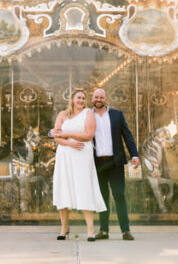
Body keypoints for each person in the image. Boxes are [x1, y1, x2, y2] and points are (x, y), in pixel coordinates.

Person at [50, 87, 107, 241]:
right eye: (79, 98)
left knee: (84, 188)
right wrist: (69, 144)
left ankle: (90, 231)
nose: (81, 101)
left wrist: (67, 134)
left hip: (82, 154)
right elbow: (56, 136)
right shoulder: (62, 115)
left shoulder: (88, 113)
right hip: (65, 155)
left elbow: (88, 135)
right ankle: (64, 228)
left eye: (83, 98)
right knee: (64, 188)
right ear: (72, 100)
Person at [89, 88, 140, 241]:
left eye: (101, 97)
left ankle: (126, 230)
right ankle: (104, 231)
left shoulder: (117, 115)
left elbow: (127, 136)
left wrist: (134, 155)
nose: (99, 99)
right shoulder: (87, 116)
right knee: (102, 197)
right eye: (96, 97)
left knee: (119, 195)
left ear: (106, 99)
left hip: (115, 162)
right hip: (97, 163)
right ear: (92, 99)